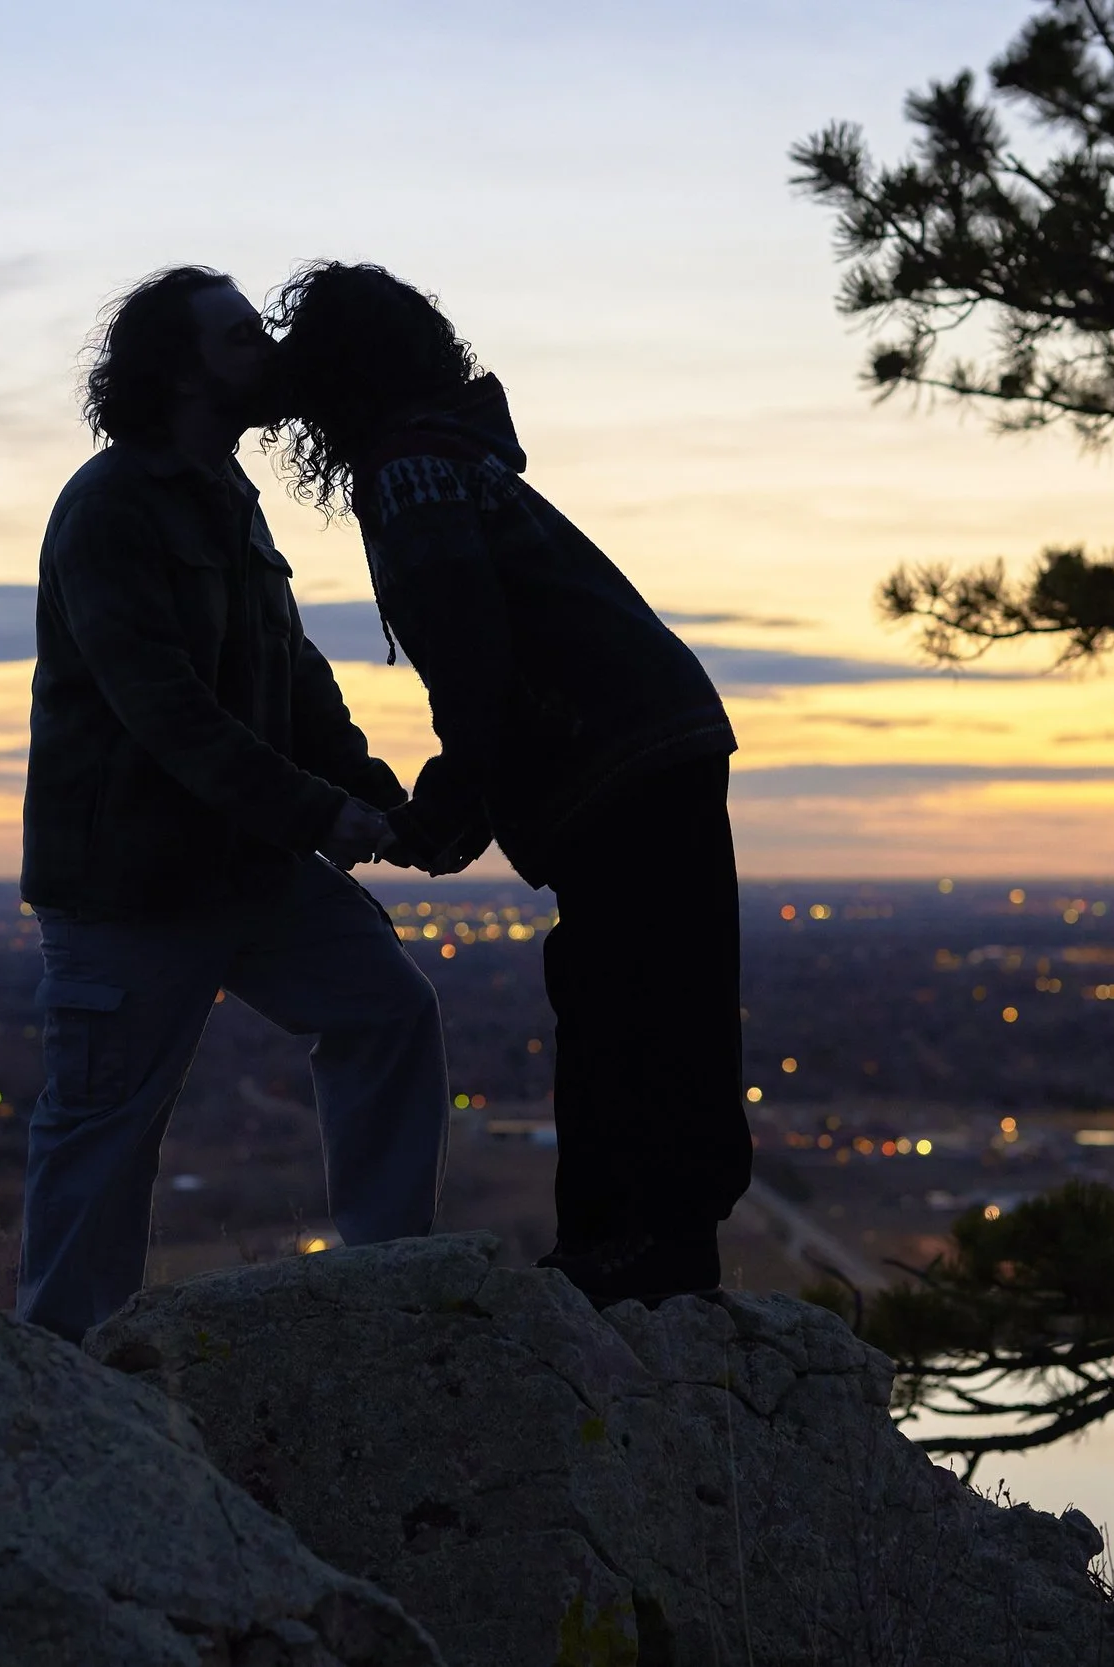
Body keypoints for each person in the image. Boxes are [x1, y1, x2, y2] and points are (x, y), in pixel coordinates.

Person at [268, 261, 752, 1307]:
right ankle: (662, 1243)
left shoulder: (408, 473)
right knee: (660, 988)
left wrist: (447, 810)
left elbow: (475, 663)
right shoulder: (451, 455)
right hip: (659, 738)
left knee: (623, 990)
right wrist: (462, 800)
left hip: (616, 755)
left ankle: (627, 1248)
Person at [15, 265, 450, 1341]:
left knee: (388, 1011)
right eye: (240, 337)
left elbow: (291, 675)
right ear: (176, 369)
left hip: (246, 865)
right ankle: (62, 1373)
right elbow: (167, 711)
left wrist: (369, 792)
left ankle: (392, 1290)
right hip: (130, 886)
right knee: (105, 1130)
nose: (268, 351)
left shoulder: (229, 498)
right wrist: (320, 814)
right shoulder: (110, 508)